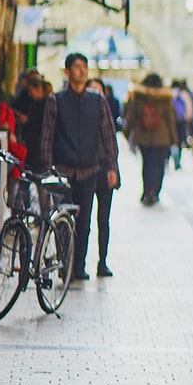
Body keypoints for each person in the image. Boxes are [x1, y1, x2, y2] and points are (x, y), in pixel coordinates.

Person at [41, 53, 121, 280]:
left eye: (85, 67)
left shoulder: (98, 101)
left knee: (84, 223)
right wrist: (49, 170)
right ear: (67, 72)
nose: (82, 71)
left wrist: (112, 166)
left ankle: (78, 266)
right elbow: (47, 136)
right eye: (77, 67)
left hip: (89, 171)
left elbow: (108, 135)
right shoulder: (56, 100)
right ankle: (65, 265)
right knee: (63, 222)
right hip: (63, 171)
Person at [124, 73, 178, 206]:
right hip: (162, 137)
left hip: (144, 136)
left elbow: (131, 116)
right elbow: (170, 120)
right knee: (159, 166)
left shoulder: (139, 97)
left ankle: (147, 192)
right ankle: (155, 192)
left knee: (147, 164)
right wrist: (173, 138)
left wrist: (127, 132)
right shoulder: (165, 98)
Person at [85, 79, 121, 269]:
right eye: (92, 90)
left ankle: (103, 261)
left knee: (103, 220)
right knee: (84, 220)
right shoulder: (80, 115)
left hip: (105, 170)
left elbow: (112, 144)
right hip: (85, 171)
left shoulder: (106, 115)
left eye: (99, 91)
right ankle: (78, 263)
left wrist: (112, 168)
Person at [16, 71, 53, 172]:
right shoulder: (35, 103)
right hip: (32, 144)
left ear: (39, 89)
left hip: (38, 147)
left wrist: (28, 121)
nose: (29, 94)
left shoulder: (46, 105)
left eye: (31, 91)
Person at [170, 80, 193, 170]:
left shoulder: (169, 94)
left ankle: (170, 158)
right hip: (181, 121)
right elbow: (189, 107)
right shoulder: (183, 94)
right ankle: (178, 161)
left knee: (171, 141)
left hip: (171, 121)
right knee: (180, 140)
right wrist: (187, 118)